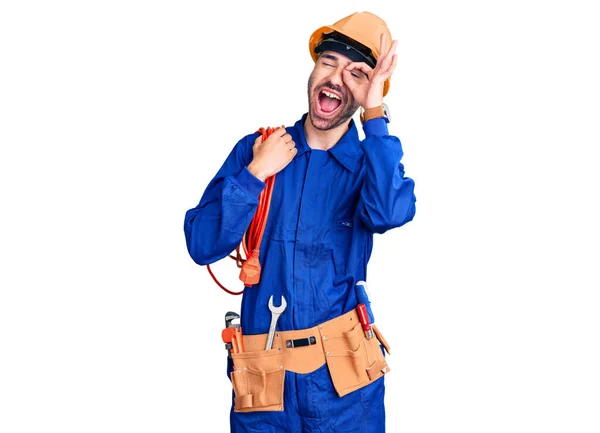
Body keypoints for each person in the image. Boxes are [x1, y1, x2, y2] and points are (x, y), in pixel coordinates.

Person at [184, 11, 416, 433]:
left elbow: (390, 212)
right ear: (313, 68)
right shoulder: (258, 151)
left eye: (357, 74)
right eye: (329, 62)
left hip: (344, 389)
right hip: (263, 384)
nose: (336, 79)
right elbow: (201, 243)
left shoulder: (368, 164)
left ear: (367, 92)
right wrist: (254, 175)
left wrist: (376, 113)